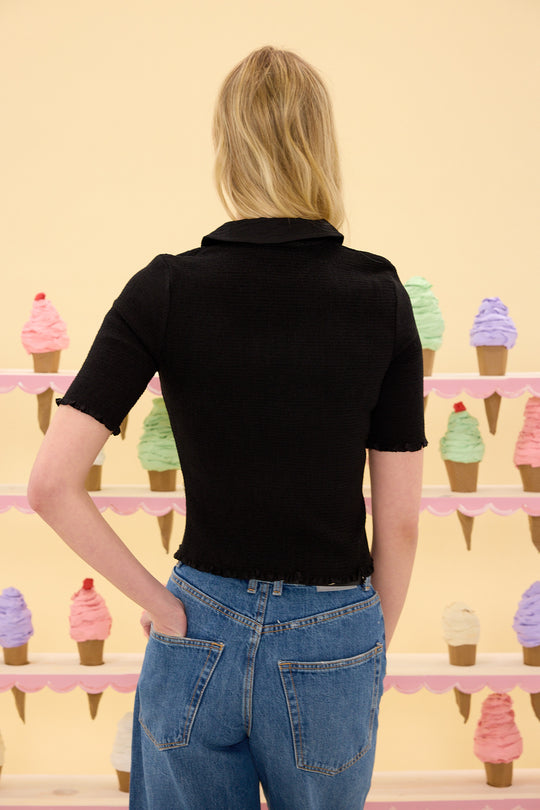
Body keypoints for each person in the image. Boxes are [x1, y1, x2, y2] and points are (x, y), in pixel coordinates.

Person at [28, 46, 426, 810]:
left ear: (227, 146)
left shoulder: (165, 288)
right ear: (321, 144)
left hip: (196, 627)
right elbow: (400, 524)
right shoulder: (379, 294)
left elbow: (50, 484)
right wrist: (362, 648)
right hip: (334, 627)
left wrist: (165, 605)